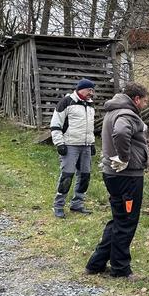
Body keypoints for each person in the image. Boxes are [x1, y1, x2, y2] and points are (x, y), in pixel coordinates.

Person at [86, 82, 149, 280]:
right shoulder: (126, 114)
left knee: (119, 218)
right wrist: (124, 157)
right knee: (126, 222)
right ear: (136, 99)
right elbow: (121, 133)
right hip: (127, 177)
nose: (145, 105)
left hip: (113, 174)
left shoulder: (113, 111)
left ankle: (96, 264)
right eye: (145, 101)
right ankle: (120, 269)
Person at [49, 78, 96, 218]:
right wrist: (59, 143)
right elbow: (55, 124)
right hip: (70, 145)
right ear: (81, 89)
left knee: (85, 176)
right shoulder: (66, 102)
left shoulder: (90, 105)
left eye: (93, 90)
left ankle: (77, 204)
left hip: (86, 146)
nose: (91, 93)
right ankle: (58, 206)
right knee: (67, 176)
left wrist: (92, 144)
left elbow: (90, 127)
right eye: (89, 90)